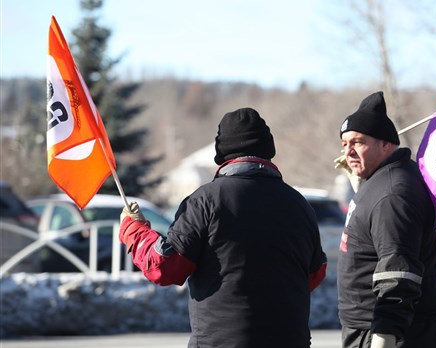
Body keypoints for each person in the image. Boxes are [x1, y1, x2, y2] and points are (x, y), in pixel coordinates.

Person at [119, 107, 327, 348]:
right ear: (268, 149)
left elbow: (165, 267)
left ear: (222, 152)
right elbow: (314, 273)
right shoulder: (299, 204)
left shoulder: (205, 201)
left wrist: (135, 230)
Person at [335, 91, 436, 348]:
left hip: (401, 333)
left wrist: (385, 335)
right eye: (344, 144)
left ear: (386, 144)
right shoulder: (380, 181)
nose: (348, 152)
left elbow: (398, 271)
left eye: (358, 142)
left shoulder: (392, 194)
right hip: (374, 327)